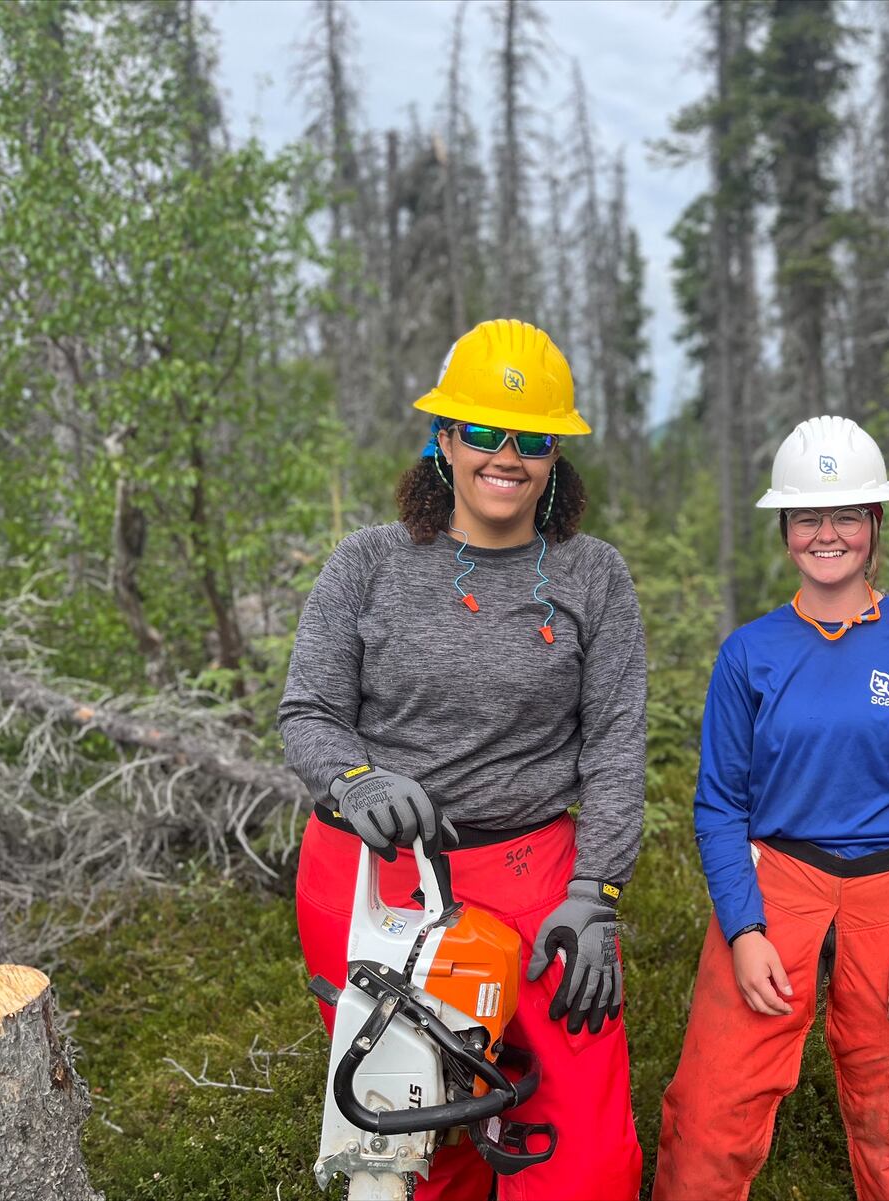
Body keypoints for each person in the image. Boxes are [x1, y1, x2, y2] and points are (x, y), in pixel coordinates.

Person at [278, 318, 647, 1201]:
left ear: (555, 455)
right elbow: (309, 711)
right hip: (382, 875)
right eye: (482, 430)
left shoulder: (593, 576)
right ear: (444, 438)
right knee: (410, 1130)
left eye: (531, 438)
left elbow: (616, 744)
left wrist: (597, 891)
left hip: (538, 874)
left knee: (585, 1152)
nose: (505, 455)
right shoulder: (368, 563)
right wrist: (358, 778)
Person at [654, 416, 889, 1201]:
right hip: (779, 884)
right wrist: (743, 925)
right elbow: (719, 803)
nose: (826, 534)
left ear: (875, 524)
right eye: (808, 517)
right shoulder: (749, 652)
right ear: (785, 528)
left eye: (845, 516)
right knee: (710, 1109)